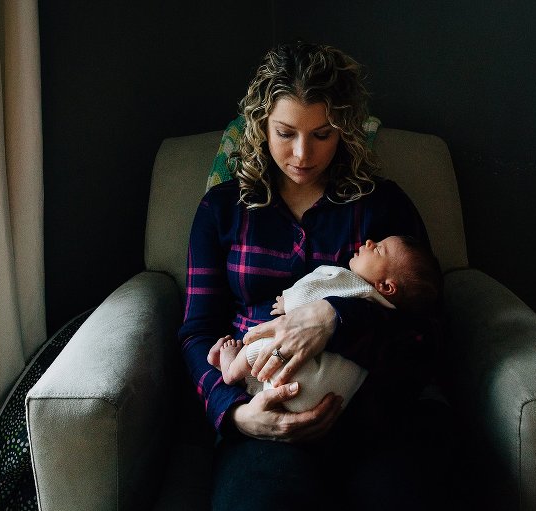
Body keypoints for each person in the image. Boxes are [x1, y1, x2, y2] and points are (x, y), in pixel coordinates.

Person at [178, 41, 453, 510]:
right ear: (261, 126)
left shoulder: (382, 207)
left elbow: (425, 330)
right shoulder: (222, 210)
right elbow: (197, 332)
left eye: (322, 135)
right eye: (285, 133)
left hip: (376, 416)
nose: (303, 154)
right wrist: (238, 415)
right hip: (264, 418)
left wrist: (332, 318)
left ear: (343, 130)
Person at [207, 235, 441, 413]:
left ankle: (231, 369)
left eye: (378, 249)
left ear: (387, 287)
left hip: (297, 381)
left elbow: (309, 294)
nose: (369, 242)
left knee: (265, 342)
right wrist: (236, 415)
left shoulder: (350, 282)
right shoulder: (388, 314)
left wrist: (287, 302)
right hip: (325, 401)